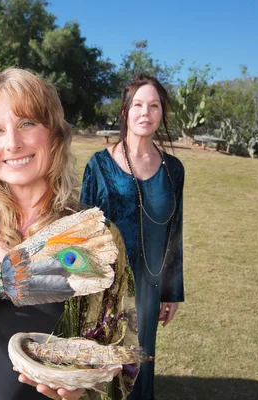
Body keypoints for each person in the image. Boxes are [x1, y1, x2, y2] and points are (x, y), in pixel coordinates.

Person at [0, 68, 139, 400]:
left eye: (26, 123)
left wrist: (83, 391)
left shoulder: (95, 240)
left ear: (54, 135)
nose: (12, 143)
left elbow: (122, 360)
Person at [80, 74, 184, 400]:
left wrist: (172, 291)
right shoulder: (99, 165)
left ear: (161, 113)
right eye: (138, 104)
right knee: (105, 365)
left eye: (154, 106)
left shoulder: (173, 169)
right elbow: (83, 231)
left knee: (140, 363)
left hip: (149, 290)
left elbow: (174, 231)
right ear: (125, 112)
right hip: (107, 287)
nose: (145, 112)